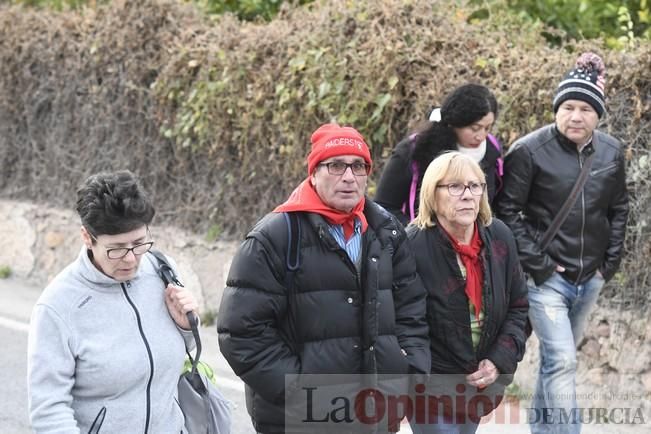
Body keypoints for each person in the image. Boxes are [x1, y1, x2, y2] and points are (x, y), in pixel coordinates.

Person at [218, 123, 431, 433]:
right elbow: (240, 332)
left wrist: (406, 378)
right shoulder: (274, 237)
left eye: (358, 166)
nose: (348, 177)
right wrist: (303, 393)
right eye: (335, 166)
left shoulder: (386, 231)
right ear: (314, 173)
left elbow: (411, 309)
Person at [495, 52, 629, 434]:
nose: (575, 116)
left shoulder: (611, 151)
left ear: (597, 114)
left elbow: (619, 207)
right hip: (546, 279)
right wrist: (539, 265)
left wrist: (610, 263)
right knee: (564, 360)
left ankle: (542, 428)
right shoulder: (529, 150)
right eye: (568, 106)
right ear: (556, 108)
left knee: (558, 361)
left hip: (591, 276)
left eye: (586, 108)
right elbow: (508, 213)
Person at [27, 170, 199, 433]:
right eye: (117, 248)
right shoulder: (58, 306)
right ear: (87, 237)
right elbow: (48, 409)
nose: (131, 259)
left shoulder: (162, 271)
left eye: (139, 243)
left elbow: (170, 360)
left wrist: (186, 327)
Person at [406, 151, 529, 434]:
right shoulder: (412, 246)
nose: (467, 195)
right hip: (431, 388)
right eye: (454, 186)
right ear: (431, 194)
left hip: (478, 386)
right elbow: (403, 321)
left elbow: (518, 306)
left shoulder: (499, 237)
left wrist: (498, 360)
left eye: (475, 186)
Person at [375, 83, 502, 225]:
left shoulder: (491, 150)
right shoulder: (413, 151)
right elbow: (383, 207)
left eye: (487, 128)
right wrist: (415, 234)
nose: (481, 136)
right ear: (454, 123)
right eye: (475, 128)